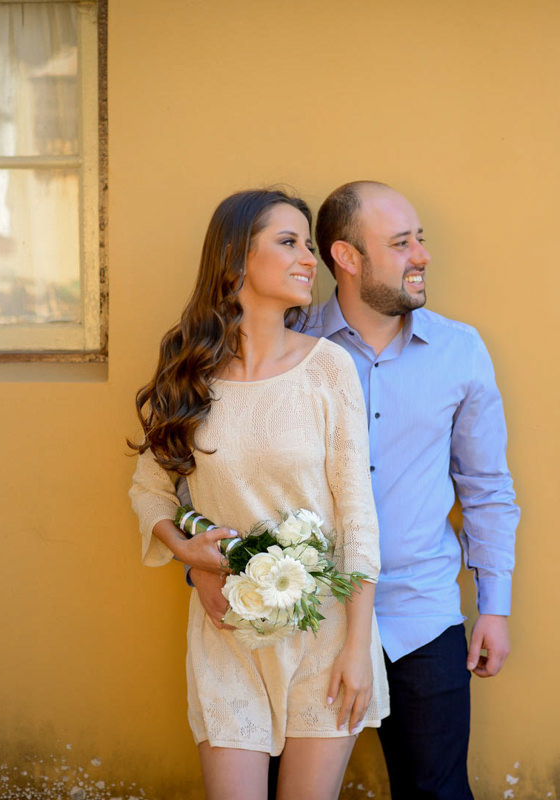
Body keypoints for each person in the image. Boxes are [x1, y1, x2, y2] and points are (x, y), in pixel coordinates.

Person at [191, 181, 519, 799]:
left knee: (438, 792)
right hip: (296, 623)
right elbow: (206, 473)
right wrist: (201, 566)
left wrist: (494, 606)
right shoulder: (286, 344)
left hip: (420, 615)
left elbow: (486, 488)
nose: (421, 255)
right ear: (346, 257)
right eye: (401, 243)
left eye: (420, 239)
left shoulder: (460, 350)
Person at [128, 188, 389, 800]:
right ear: (235, 257)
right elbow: (150, 490)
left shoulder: (330, 369)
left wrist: (357, 647)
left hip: (324, 632)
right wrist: (187, 554)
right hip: (227, 631)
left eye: (308, 244)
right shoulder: (187, 372)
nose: (309, 258)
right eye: (288, 242)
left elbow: (356, 515)